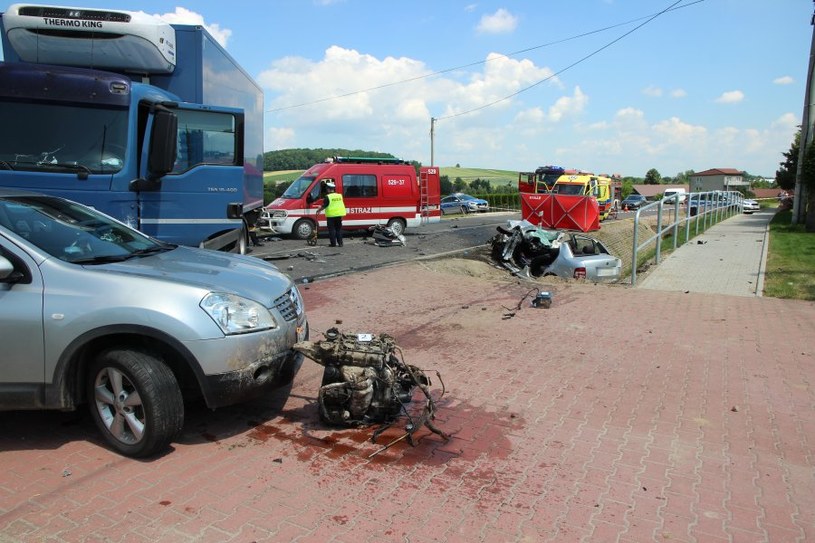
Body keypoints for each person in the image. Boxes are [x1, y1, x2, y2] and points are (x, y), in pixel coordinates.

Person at [318, 179, 347, 247]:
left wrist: (319, 209)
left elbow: (324, 206)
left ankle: (333, 244)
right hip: (339, 215)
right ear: (333, 189)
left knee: (332, 230)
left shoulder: (327, 197)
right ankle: (340, 243)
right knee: (339, 229)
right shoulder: (339, 196)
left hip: (331, 216)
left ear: (328, 189)